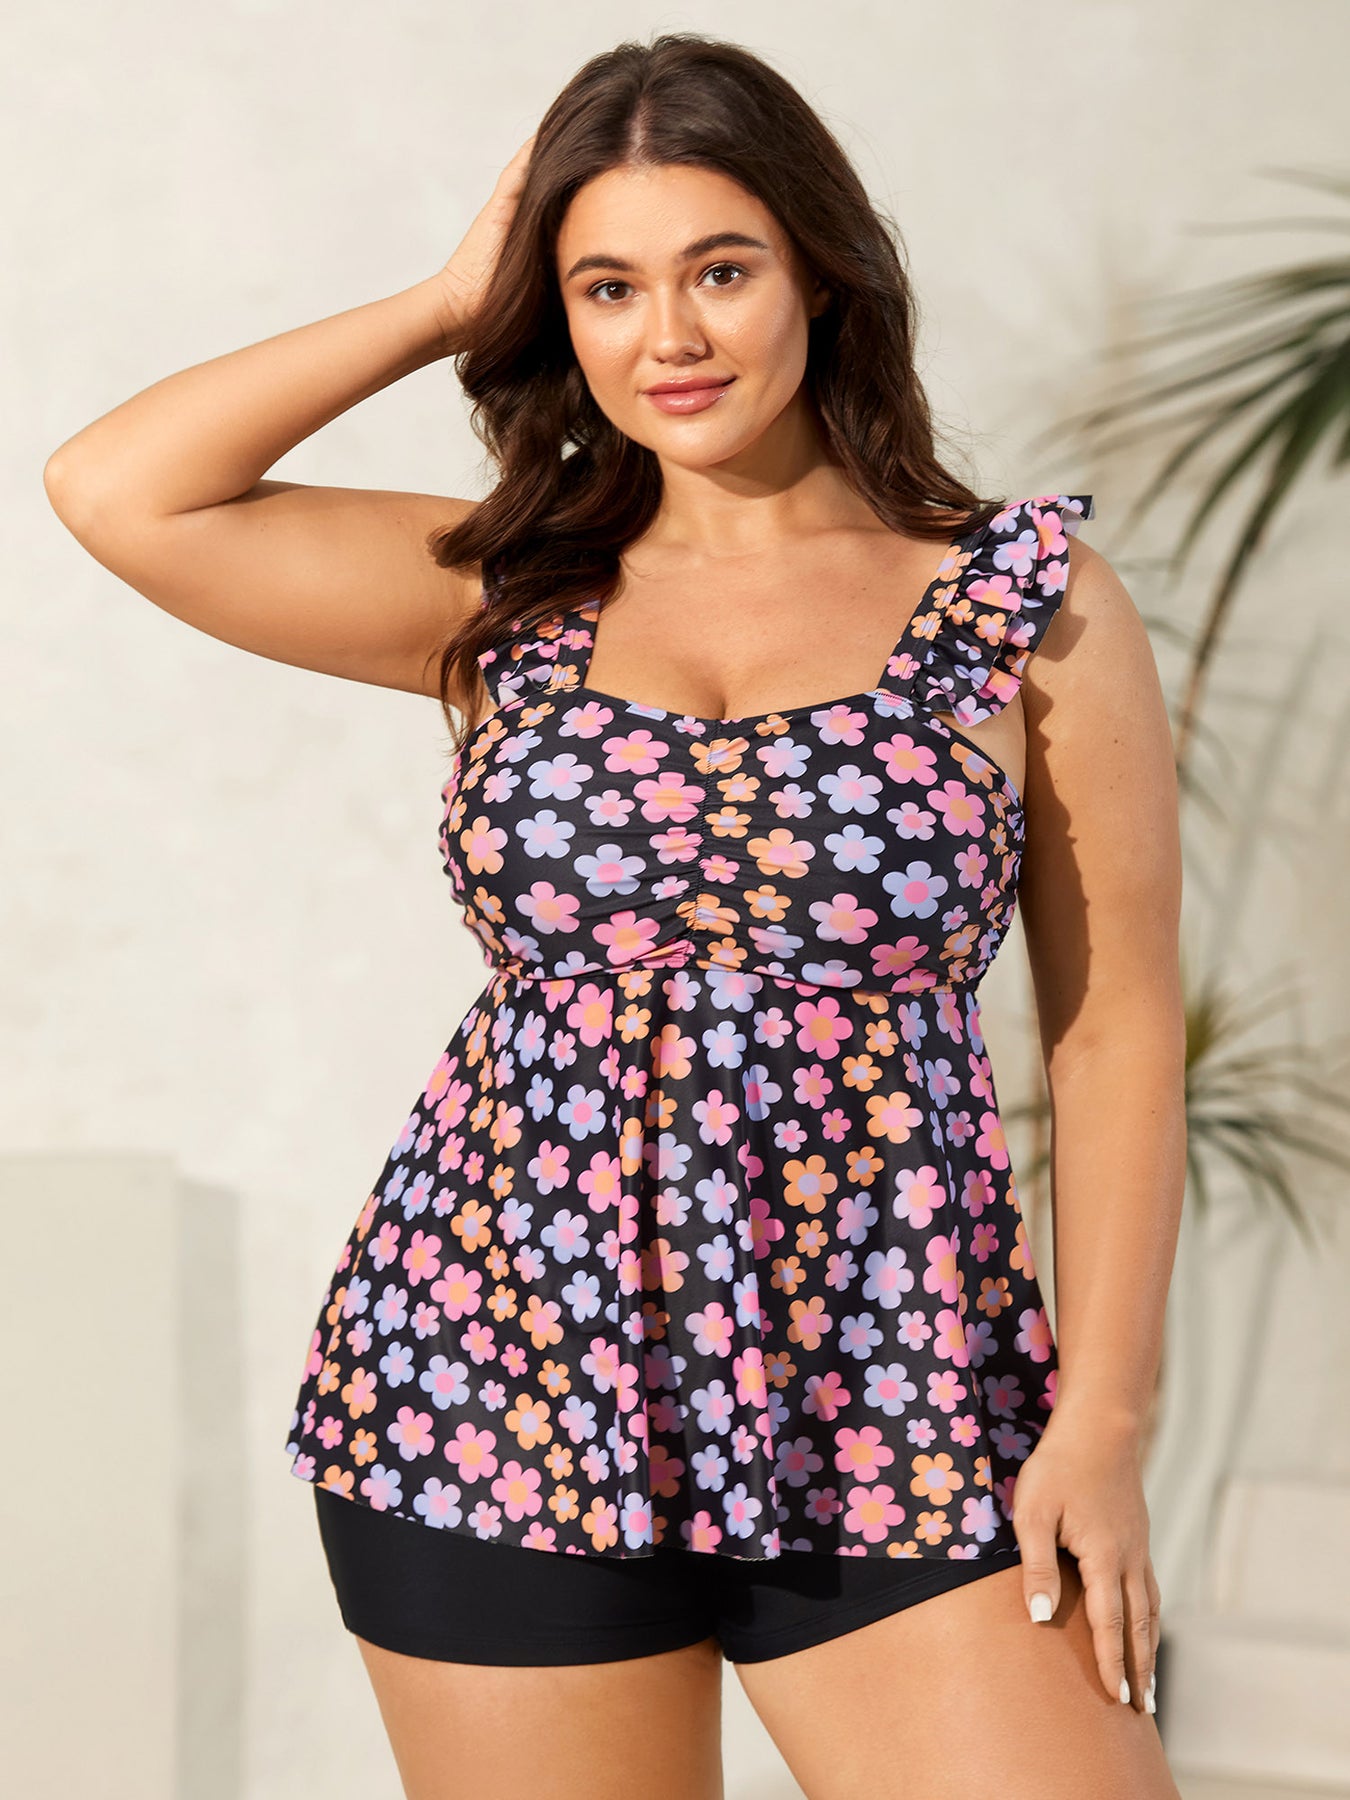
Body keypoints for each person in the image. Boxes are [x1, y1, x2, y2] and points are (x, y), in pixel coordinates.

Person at [43, 29, 1186, 1800]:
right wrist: (445, 300)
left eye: (720, 270)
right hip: (489, 1378)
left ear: (821, 274)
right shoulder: (506, 592)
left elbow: (1111, 1030)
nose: (670, 336)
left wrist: (1099, 1421)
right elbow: (120, 488)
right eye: (605, 286)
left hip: (895, 1383)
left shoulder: (1020, 605)